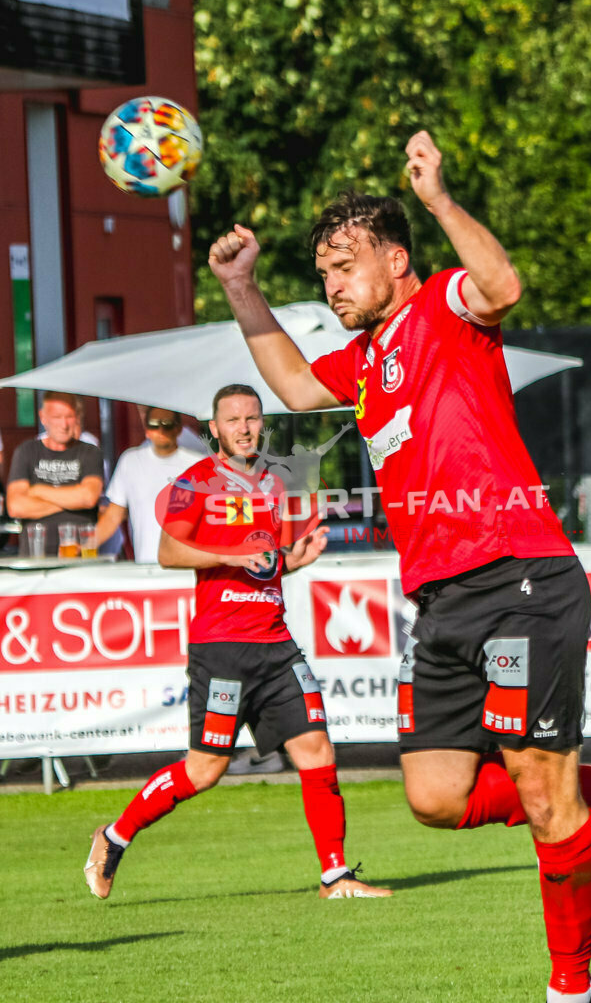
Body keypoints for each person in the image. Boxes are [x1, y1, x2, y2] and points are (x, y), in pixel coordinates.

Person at [208, 131, 591, 1003]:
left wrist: (438, 199)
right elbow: (289, 386)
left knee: (543, 797)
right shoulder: (362, 365)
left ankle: (572, 991)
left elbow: (503, 285)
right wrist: (242, 289)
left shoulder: (442, 308)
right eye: (323, 275)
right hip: (442, 603)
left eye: (345, 266)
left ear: (396, 260)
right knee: (435, 796)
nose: (333, 286)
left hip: (520, 579)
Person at [84, 384, 391, 902]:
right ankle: (113, 838)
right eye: (234, 420)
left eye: (252, 418)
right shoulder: (195, 481)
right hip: (222, 646)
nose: (245, 428)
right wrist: (231, 557)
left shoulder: (273, 483)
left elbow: (266, 562)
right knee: (205, 770)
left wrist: (295, 559)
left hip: (276, 642)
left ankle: (335, 876)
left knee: (317, 749)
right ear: (215, 429)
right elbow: (169, 552)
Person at [95, 406, 205, 563]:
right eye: (154, 425)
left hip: (190, 567)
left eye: (167, 424)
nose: (161, 430)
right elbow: (113, 516)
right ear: (146, 430)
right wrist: (82, 547)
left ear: (179, 429)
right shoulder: (130, 461)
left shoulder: (199, 464)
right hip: (147, 568)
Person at [7, 391, 103, 556]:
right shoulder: (26, 451)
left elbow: (89, 497)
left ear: (78, 417)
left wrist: (37, 491)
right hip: (35, 557)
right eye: (57, 417)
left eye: (69, 416)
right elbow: (16, 507)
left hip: (80, 556)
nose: (64, 424)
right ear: (43, 417)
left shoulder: (90, 452)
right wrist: (72, 500)